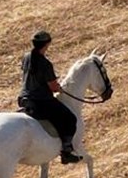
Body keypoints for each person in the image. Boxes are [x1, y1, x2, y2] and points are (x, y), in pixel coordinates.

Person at [18, 30, 82, 164]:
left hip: (24, 99)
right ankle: (66, 151)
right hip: (41, 101)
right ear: (46, 45)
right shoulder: (45, 63)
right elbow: (53, 87)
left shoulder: (26, 57)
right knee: (70, 119)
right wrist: (59, 87)